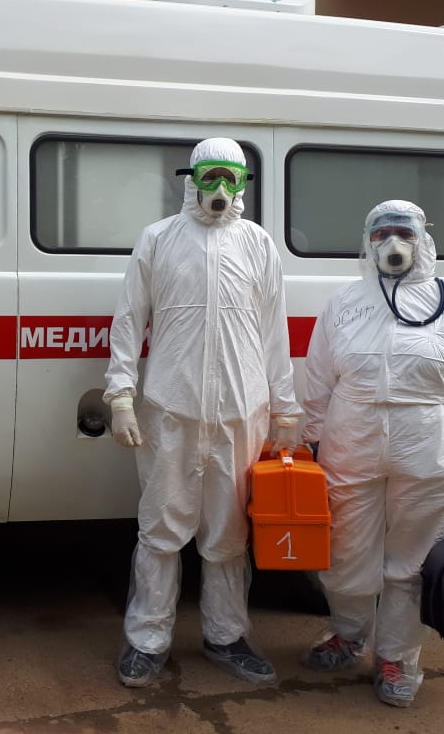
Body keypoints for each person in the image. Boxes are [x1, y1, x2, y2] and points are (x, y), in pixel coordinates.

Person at [103, 137, 301, 688]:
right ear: (190, 179)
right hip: (171, 408)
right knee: (161, 528)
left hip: (241, 411)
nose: (219, 188)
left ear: (242, 185)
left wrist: (285, 409)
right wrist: (120, 394)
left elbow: (275, 331)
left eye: (230, 178)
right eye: (210, 175)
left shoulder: (258, 244)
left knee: (229, 533)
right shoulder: (159, 239)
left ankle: (226, 636)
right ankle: (146, 640)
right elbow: (129, 318)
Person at [300, 199, 444, 708]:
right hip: (351, 445)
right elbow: (318, 379)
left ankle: (396, 657)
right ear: (367, 242)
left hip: (430, 451)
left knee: (411, 564)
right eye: (382, 234)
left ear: (423, 239)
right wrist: (312, 439)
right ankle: (348, 634)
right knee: (344, 551)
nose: (393, 244)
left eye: (405, 233)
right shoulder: (345, 303)